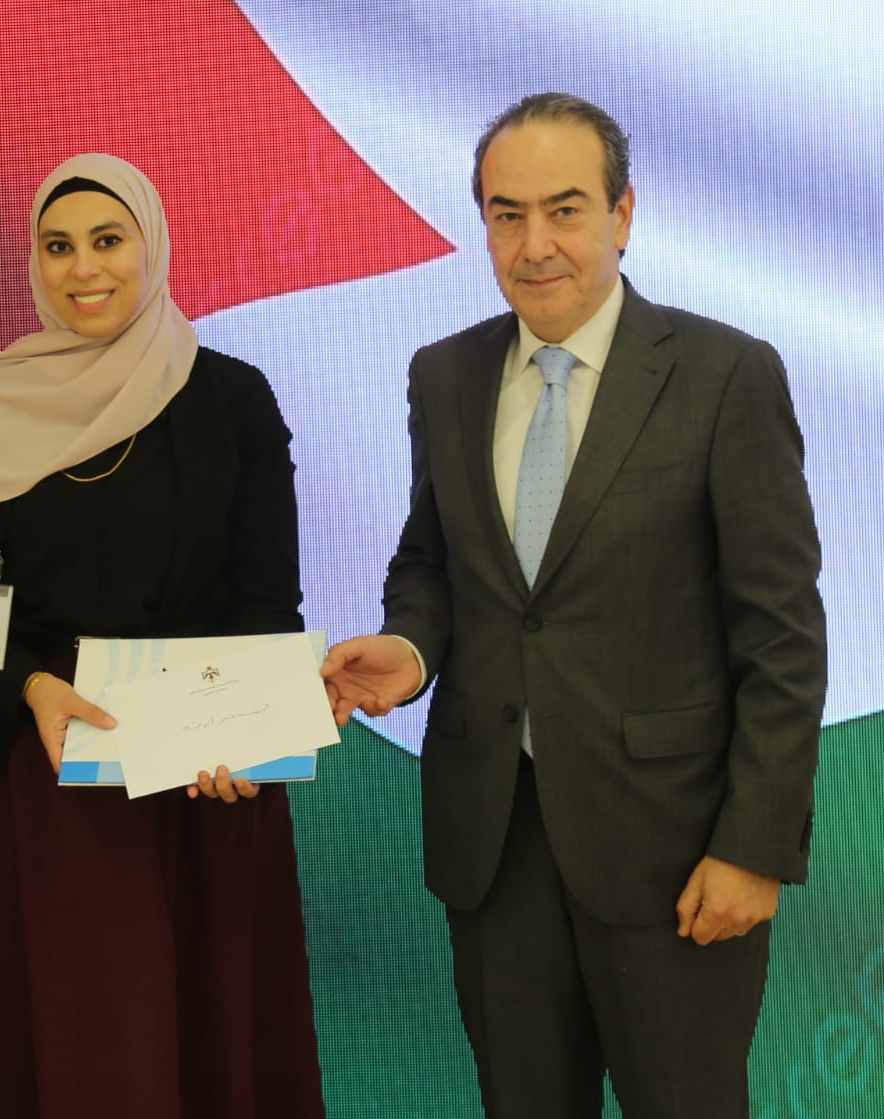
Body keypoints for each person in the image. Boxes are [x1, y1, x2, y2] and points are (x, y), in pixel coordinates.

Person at [321, 92, 826, 1117]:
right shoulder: (443, 374)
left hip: (676, 854)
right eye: (506, 215)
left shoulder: (727, 375)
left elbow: (781, 636)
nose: (535, 245)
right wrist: (408, 651)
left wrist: (754, 845)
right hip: (492, 845)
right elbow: (431, 562)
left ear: (622, 214)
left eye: (564, 210)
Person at [0, 152, 325, 1118]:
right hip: (39, 777)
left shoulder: (231, 399)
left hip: (203, 784)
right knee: (74, 1058)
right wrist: (29, 686)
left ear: (152, 247)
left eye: (107, 240)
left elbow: (266, 603)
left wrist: (241, 737)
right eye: (58, 247)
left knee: (203, 1051)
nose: (83, 269)